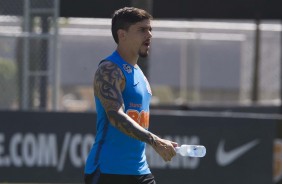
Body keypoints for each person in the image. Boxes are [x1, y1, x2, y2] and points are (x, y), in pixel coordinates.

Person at [84, 7, 178, 184]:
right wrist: (155, 140)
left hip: (140, 170)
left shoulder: (139, 74)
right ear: (122, 35)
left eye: (150, 29)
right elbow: (115, 115)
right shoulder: (109, 69)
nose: (149, 35)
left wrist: (158, 141)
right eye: (142, 30)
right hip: (108, 171)